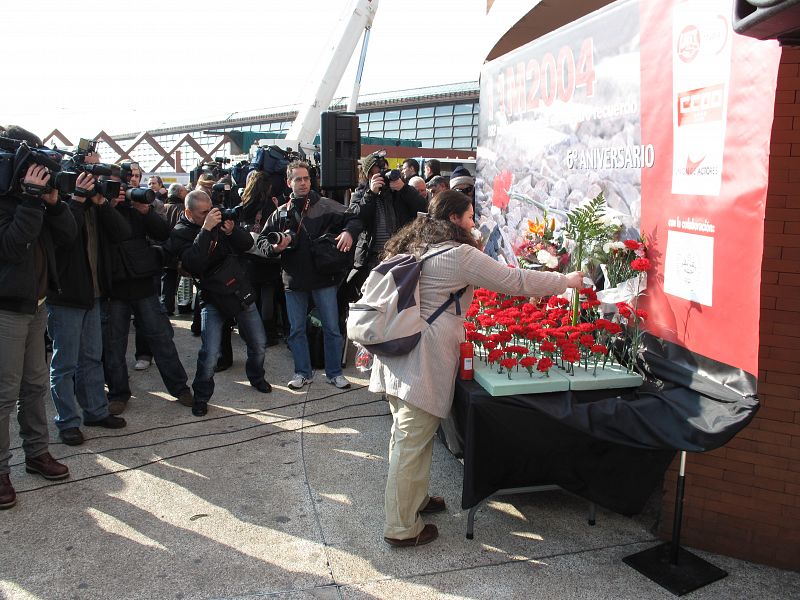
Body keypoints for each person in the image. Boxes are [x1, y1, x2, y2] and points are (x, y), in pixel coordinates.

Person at [371, 190, 584, 547]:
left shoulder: (417, 243)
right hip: (420, 358)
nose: (474, 223)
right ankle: (401, 527)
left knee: (408, 435)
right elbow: (514, 281)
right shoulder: (458, 255)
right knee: (411, 440)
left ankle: (415, 501)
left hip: (398, 352)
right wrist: (564, 281)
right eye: (470, 216)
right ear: (454, 219)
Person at [0, 126, 77, 508]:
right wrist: (30, 200)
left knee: (33, 387)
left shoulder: (33, 199)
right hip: (7, 309)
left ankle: (36, 453)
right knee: (3, 393)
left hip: (36, 304)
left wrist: (54, 202)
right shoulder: (5, 199)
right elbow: (12, 248)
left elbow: (67, 237)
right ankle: (0, 471)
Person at [46, 156, 131, 446]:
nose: (91, 178)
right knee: (65, 364)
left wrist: (101, 202)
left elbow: (122, 232)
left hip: (94, 294)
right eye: (86, 173)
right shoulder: (59, 201)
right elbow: (63, 237)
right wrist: (78, 199)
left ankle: (95, 411)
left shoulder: (95, 203)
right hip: (66, 295)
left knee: (92, 358)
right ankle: (67, 422)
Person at [167, 189, 272, 417]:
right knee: (210, 353)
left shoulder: (219, 220)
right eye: (203, 213)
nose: (210, 215)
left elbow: (246, 245)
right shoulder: (181, 231)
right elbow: (193, 262)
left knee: (259, 343)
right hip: (212, 295)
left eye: (210, 210)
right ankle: (201, 396)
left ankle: (257, 376)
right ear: (189, 212)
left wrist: (232, 231)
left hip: (238, 288)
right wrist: (205, 229)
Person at [257, 161, 360, 390]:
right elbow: (262, 242)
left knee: (332, 328)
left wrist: (348, 232)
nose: (303, 183)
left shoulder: (326, 205)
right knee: (296, 330)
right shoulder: (280, 212)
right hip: (293, 280)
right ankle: (302, 372)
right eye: (298, 179)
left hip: (324, 278)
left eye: (306, 178)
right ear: (289, 182)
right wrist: (275, 247)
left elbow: (355, 218)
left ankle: (334, 373)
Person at [101, 161, 193, 415]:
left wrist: (145, 210)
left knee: (162, 338)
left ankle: (180, 388)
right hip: (114, 286)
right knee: (114, 344)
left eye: (124, 181)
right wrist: (107, 207)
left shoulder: (136, 205)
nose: (121, 187)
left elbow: (163, 233)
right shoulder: (97, 209)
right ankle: (118, 393)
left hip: (143, 282)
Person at [343, 152, 428, 303]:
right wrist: (371, 193)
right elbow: (356, 216)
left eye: (385, 171)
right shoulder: (361, 193)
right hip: (372, 257)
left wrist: (404, 189)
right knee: (371, 301)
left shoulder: (400, 191)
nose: (384, 175)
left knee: (397, 302)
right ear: (368, 175)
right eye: (378, 172)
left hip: (398, 255)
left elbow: (422, 208)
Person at [237, 171, 284, 346]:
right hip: (268, 255)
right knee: (268, 297)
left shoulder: (244, 203)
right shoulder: (270, 204)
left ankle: (250, 333)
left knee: (251, 297)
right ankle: (268, 334)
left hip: (248, 255)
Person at [160, 183, 188, 316]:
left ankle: (166, 306)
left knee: (167, 279)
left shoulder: (162, 207)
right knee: (182, 279)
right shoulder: (184, 209)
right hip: (179, 250)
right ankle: (183, 306)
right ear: (180, 194)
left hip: (164, 249)